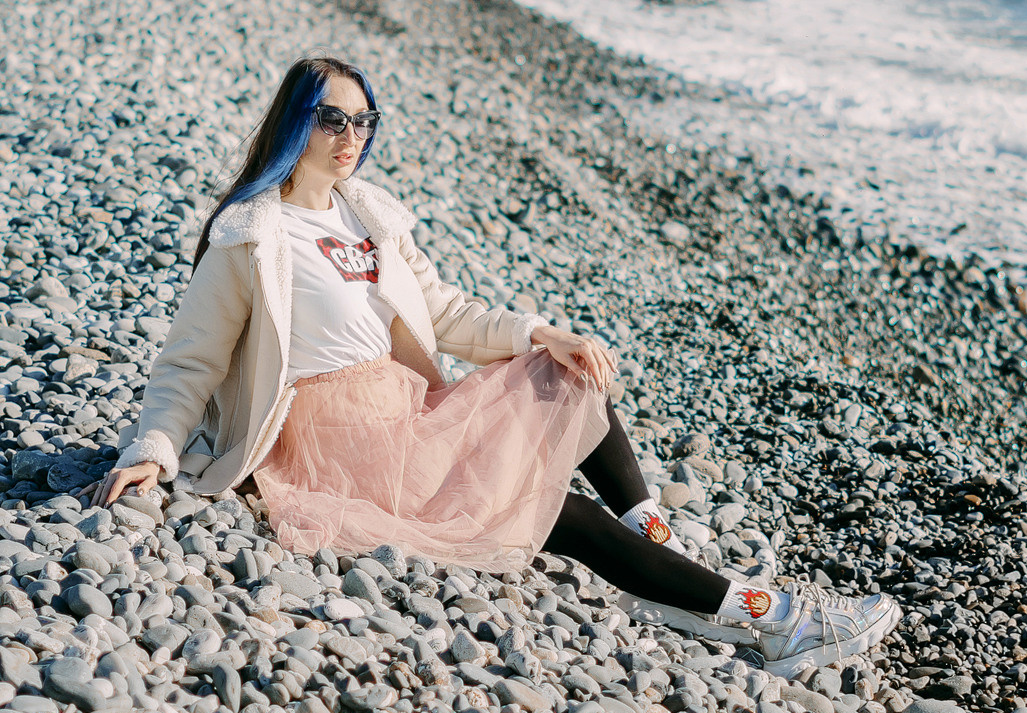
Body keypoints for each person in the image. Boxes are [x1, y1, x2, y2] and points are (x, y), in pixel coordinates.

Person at [83, 56, 900, 674]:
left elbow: (441, 312)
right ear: (294, 122)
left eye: (366, 122)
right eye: (332, 119)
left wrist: (542, 332)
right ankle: (775, 620)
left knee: (576, 377)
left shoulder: (369, 214)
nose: (351, 138)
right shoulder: (250, 236)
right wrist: (151, 451)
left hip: (409, 411)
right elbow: (188, 364)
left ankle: (661, 551)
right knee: (558, 513)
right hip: (343, 445)